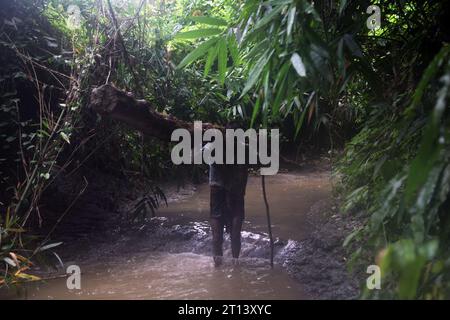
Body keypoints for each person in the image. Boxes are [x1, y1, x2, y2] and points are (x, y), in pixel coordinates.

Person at [209, 163, 248, 266]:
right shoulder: (213, 148)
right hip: (218, 190)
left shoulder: (243, 149)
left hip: (236, 191)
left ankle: (236, 264)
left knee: (235, 234)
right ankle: (218, 267)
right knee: (217, 236)